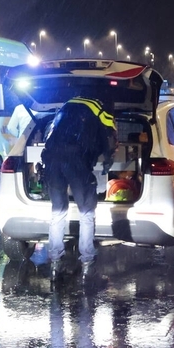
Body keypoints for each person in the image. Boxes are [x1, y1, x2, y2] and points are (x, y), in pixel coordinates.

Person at [41, 96, 117, 282]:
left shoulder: (66, 107)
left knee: (57, 212)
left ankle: (55, 266)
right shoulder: (100, 108)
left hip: (52, 160)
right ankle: (87, 267)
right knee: (86, 213)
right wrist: (108, 158)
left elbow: (48, 134)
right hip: (76, 161)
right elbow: (109, 137)